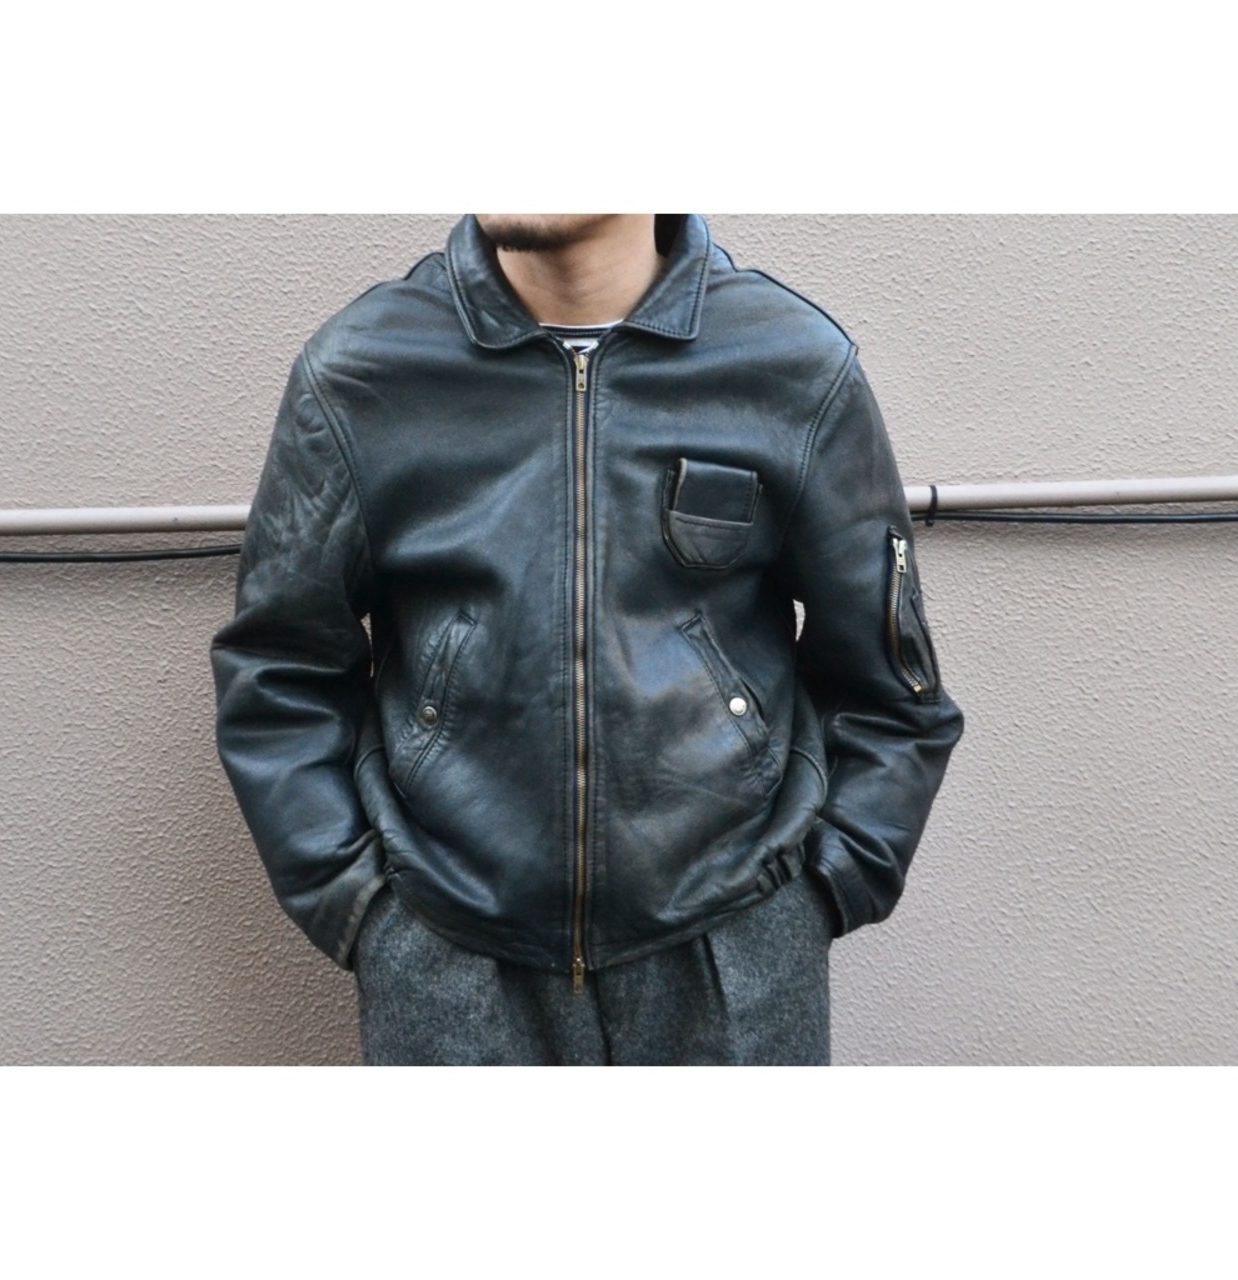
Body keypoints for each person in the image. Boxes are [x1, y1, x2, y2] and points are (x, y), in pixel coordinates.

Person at [211, 214, 963, 1065]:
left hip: (733, 959)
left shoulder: (790, 366)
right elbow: (280, 667)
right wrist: (363, 911)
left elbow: (890, 688)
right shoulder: (364, 371)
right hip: (450, 966)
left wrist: (816, 897)